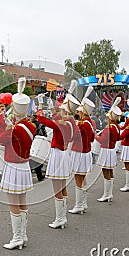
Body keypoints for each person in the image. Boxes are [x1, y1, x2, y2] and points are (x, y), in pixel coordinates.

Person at [0, 78, 36, 250]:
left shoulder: (15, 129)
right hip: (24, 166)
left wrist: (0, 123)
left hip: (13, 167)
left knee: (14, 205)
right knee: (23, 202)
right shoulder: (30, 126)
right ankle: (23, 235)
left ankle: (17, 237)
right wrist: (6, 121)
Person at [37, 94, 74, 229]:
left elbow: (41, 118)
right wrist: (50, 105)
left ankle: (60, 218)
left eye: (61, 110)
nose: (59, 111)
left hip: (58, 155)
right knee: (63, 187)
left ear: (65, 111)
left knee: (57, 188)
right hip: (64, 154)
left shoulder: (61, 123)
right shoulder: (70, 123)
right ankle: (62, 217)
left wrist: (40, 104)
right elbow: (55, 116)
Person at [68, 86, 95, 214]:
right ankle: (83, 203)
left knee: (78, 179)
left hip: (79, 153)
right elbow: (92, 138)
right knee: (83, 178)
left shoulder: (82, 124)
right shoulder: (90, 123)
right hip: (86, 152)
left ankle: (79, 205)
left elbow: (72, 137)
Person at [96, 97, 121, 200]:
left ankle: (107, 194)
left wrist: (96, 136)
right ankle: (109, 193)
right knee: (110, 172)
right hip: (112, 150)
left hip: (106, 150)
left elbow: (103, 140)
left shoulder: (109, 127)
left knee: (105, 171)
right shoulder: (116, 126)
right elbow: (118, 138)